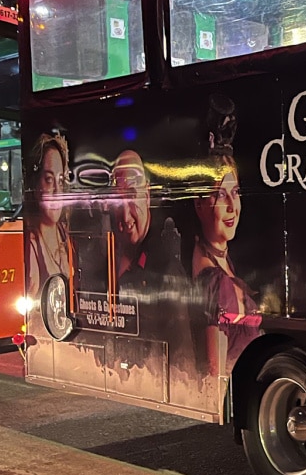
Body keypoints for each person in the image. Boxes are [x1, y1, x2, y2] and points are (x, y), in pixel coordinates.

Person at [109, 149, 197, 379]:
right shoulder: (103, 257)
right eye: (118, 200)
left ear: (147, 195)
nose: (126, 216)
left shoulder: (166, 270)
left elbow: (182, 360)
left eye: (131, 196)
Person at [191, 155, 260, 377]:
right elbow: (215, 375)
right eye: (221, 194)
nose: (232, 206)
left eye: (235, 193)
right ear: (199, 204)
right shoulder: (214, 281)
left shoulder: (220, 259)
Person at [24, 132, 73, 297]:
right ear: (35, 185)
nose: (57, 191)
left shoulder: (65, 233)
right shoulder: (32, 246)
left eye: (60, 180)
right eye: (49, 180)